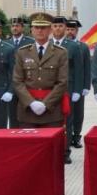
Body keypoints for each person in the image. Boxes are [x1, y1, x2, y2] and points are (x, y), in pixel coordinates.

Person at [12, 13, 69, 157]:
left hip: (51, 112)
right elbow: (17, 81)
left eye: (43, 28)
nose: (40, 31)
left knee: (51, 153)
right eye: (36, 27)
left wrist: (45, 104)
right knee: (27, 153)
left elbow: (62, 82)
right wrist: (31, 103)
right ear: (31, 30)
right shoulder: (22, 52)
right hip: (27, 112)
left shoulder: (61, 53)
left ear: (50, 30)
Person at [51, 16, 85, 162]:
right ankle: (53, 149)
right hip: (51, 89)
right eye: (55, 26)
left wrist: (78, 90)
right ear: (51, 28)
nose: (57, 29)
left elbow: (79, 69)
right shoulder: (47, 44)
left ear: (65, 28)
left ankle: (65, 151)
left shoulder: (73, 46)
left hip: (68, 89)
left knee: (67, 121)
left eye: (60, 26)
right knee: (52, 120)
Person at [65, 18, 91, 147]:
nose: (70, 32)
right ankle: (67, 137)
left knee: (78, 112)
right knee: (67, 113)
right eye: (68, 29)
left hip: (79, 85)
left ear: (77, 31)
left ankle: (76, 135)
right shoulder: (62, 45)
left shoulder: (83, 47)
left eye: (72, 30)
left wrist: (86, 86)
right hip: (66, 85)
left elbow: (87, 68)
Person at [6, 16, 34, 128]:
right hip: (11, 83)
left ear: (22, 28)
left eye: (17, 26)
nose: (14, 28)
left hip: (26, 83)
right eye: (12, 26)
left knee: (27, 113)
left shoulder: (30, 42)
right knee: (12, 114)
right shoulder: (6, 43)